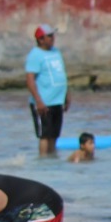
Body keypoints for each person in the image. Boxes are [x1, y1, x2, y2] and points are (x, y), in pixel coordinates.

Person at [25, 24, 67, 158]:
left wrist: (66, 95)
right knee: (45, 135)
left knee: (54, 135)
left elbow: (61, 74)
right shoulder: (35, 55)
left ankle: (52, 162)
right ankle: (43, 161)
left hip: (57, 101)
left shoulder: (56, 52)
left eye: (53, 35)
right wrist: (38, 101)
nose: (52, 38)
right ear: (40, 39)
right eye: (49, 36)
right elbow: (30, 80)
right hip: (44, 102)